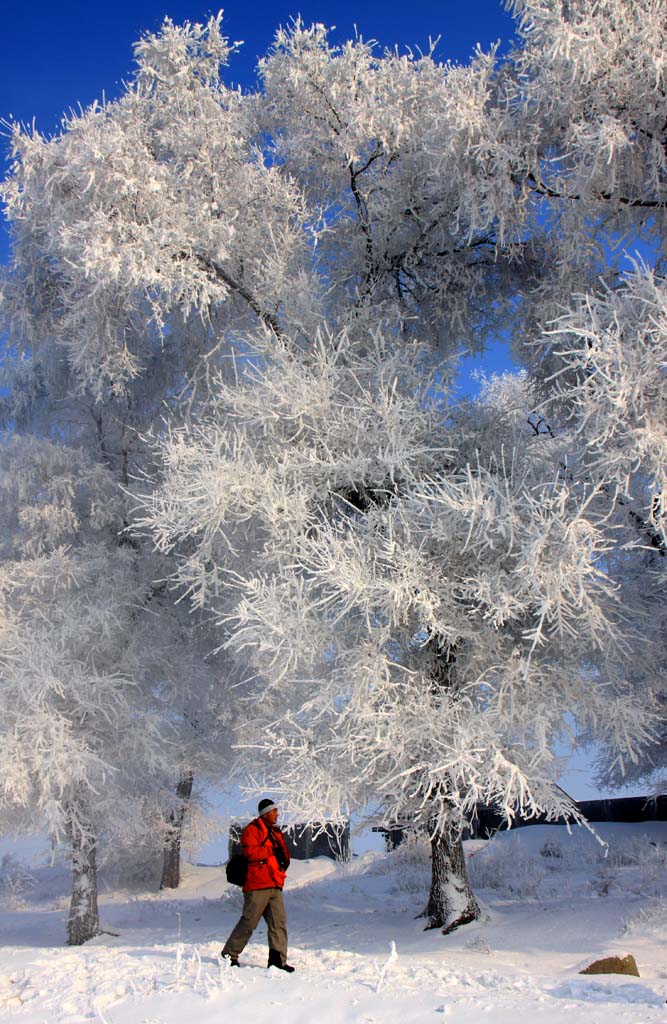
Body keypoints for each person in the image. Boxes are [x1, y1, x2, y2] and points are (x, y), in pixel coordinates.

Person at [221, 798, 295, 971]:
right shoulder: (252, 830)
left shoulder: (276, 832)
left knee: (279, 922)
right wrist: (271, 851)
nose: (277, 814)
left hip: (274, 882)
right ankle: (229, 954)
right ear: (266, 813)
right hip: (257, 884)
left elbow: (281, 853)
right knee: (249, 921)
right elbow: (251, 853)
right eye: (274, 811)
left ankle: (277, 961)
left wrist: (281, 865)